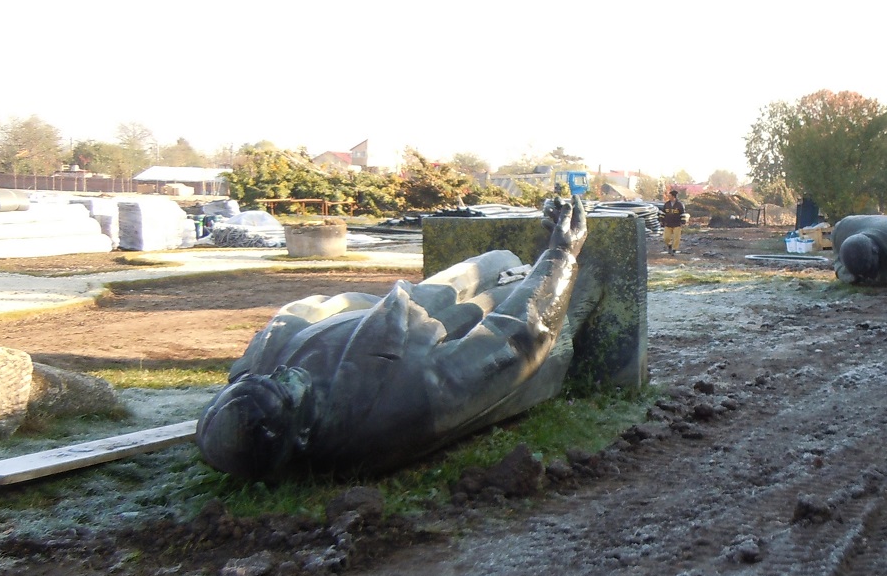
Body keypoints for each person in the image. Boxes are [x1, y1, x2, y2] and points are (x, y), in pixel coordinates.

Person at [196, 198, 592, 480]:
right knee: (548, 287)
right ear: (301, 434)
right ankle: (550, 274)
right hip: (455, 330)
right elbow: (514, 338)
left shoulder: (251, 403)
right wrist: (560, 255)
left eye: (270, 377)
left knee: (499, 259)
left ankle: (523, 270)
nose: (282, 372)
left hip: (405, 311)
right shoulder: (407, 398)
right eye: (285, 386)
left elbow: (291, 325)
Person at [660, 189, 687, 255]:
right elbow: (662, 213)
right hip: (668, 224)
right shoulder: (666, 204)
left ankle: (674, 250)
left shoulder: (680, 205)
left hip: (677, 224)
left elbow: (682, 214)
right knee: (666, 237)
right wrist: (661, 220)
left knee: (676, 238)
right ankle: (669, 246)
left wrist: (683, 222)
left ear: (673, 196)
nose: (668, 196)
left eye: (670, 195)